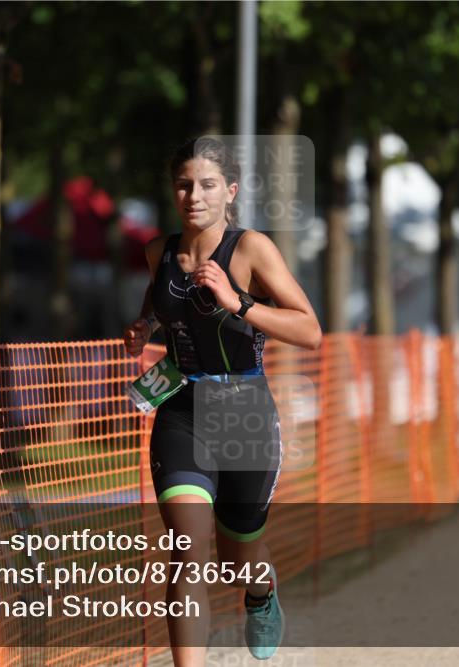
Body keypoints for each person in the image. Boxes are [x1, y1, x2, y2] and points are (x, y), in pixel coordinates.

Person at [123, 137, 321, 665]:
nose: (194, 195)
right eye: (184, 184)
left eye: (207, 185)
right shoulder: (157, 252)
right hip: (182, 410)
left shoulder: (251, 248)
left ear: (229, 191)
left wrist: (240, 303)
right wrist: (145, 326)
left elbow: (310, 330)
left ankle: (262, 593)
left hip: (244, 414)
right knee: (188, 552)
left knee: (236, 561)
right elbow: (161, 299)